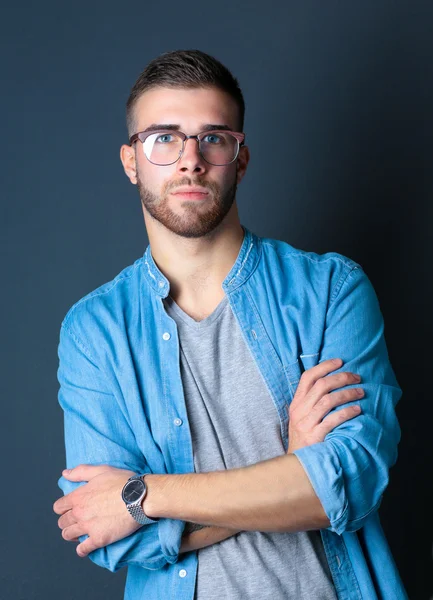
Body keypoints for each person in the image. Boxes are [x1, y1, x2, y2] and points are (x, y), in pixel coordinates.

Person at [53, 49, 408, 599]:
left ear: (240, 159)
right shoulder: (94, 331)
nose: (190, 159)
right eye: (163, 138)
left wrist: (144, 497)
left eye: (213, 137)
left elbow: (349, 484)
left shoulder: (331, 291)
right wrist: (289, 468)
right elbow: (112, 539)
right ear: (132, 161)